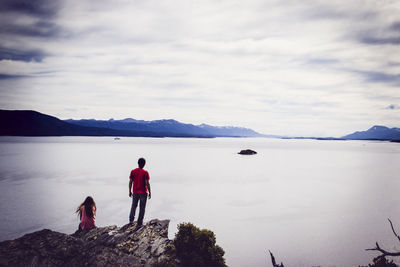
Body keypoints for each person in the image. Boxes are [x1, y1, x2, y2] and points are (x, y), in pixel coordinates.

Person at [129, 157, 151, 229]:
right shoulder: (145, 172)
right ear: (144, 164)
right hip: (143, 192)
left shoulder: (133, 171)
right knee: (142, 208)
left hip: (135, 191)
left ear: (138, 163)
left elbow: (130, 182)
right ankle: (139, 223)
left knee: (133, 206)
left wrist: (129, 191)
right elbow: (147, 183)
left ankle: (131, 220)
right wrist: (150, 192)